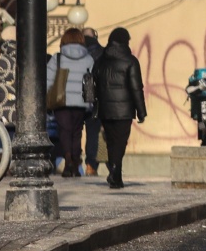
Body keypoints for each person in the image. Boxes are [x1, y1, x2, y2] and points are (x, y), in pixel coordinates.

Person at [90, 27, 145, 189]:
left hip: (105, 109)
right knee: (120, 142)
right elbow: (136, 88)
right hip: (125, 110)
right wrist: (141, 111)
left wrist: (95, 106)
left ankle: (115, 173)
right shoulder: (131, 61)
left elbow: (93, 84)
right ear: (126, 41)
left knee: (111, 141)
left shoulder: (100, 61)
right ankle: (115, 172)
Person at [46, 28, 95, 177]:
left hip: (62, 101)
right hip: (81, 102)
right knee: (77, 132)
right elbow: (91, 81)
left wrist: (47, 98)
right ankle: (75, 161)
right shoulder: (89, 59)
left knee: (65, 131)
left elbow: (48, 80)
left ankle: (68, 158)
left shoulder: (58, 58)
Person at [82, 28, 105, 175]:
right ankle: (92, 164)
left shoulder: (77, 53)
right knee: (96, 133)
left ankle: (78, 162)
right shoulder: (103, 52)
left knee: (76, 132)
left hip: (79, 97)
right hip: (100, 98)